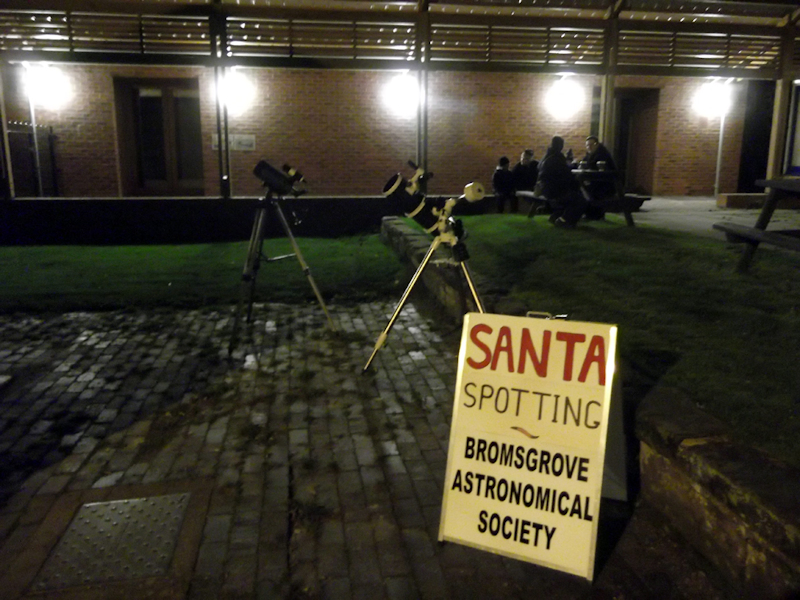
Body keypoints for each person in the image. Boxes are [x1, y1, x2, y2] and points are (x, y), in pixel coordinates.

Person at [535, 136, 586, 228]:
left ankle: (556, 216)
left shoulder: (546, 157)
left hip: (545, 189)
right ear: (561, 146)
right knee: (580, 200)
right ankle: (565, 220)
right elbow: (567, 175)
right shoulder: (558, 157)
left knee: (573, 196)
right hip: (555, 190)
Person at [579, 135, 618, 220]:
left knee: (587, 188)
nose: (589, 147)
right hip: (597, 181)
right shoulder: (590, 155)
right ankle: (591, 213)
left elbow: (596, 168)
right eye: (587, 145)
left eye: (591, 145)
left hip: (606, 183)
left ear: (597, 144)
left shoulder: (602, 154)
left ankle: (593, 213)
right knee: (582, 186)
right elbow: (584, 164)